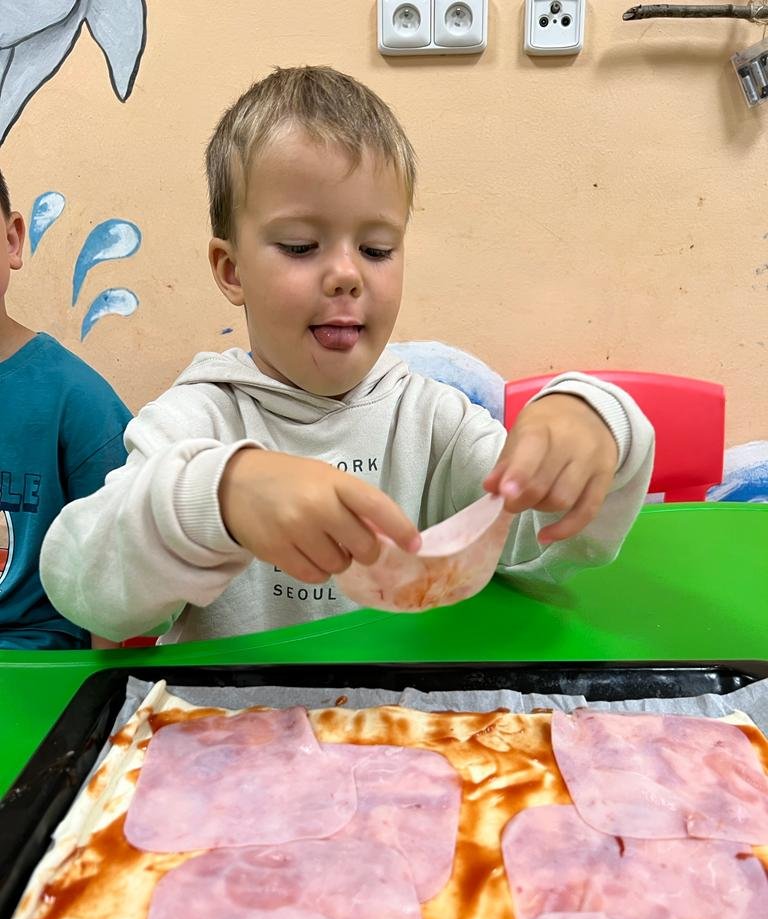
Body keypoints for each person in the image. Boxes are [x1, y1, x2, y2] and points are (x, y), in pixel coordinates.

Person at [40, 66, 654, 644]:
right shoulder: (198, 420)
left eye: (377, 250)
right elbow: (83, 584)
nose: (346, 274)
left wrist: (594, 417)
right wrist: (217, 498)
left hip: (402, 715)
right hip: (227, 718)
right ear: (232, 270)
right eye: (300, 246)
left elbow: (543, 548)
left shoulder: (432, 420)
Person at [0, 169, 132, 649]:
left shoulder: (77, 400)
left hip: (37, 666)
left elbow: (114, 572)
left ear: (13, 239)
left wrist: (98, 691)